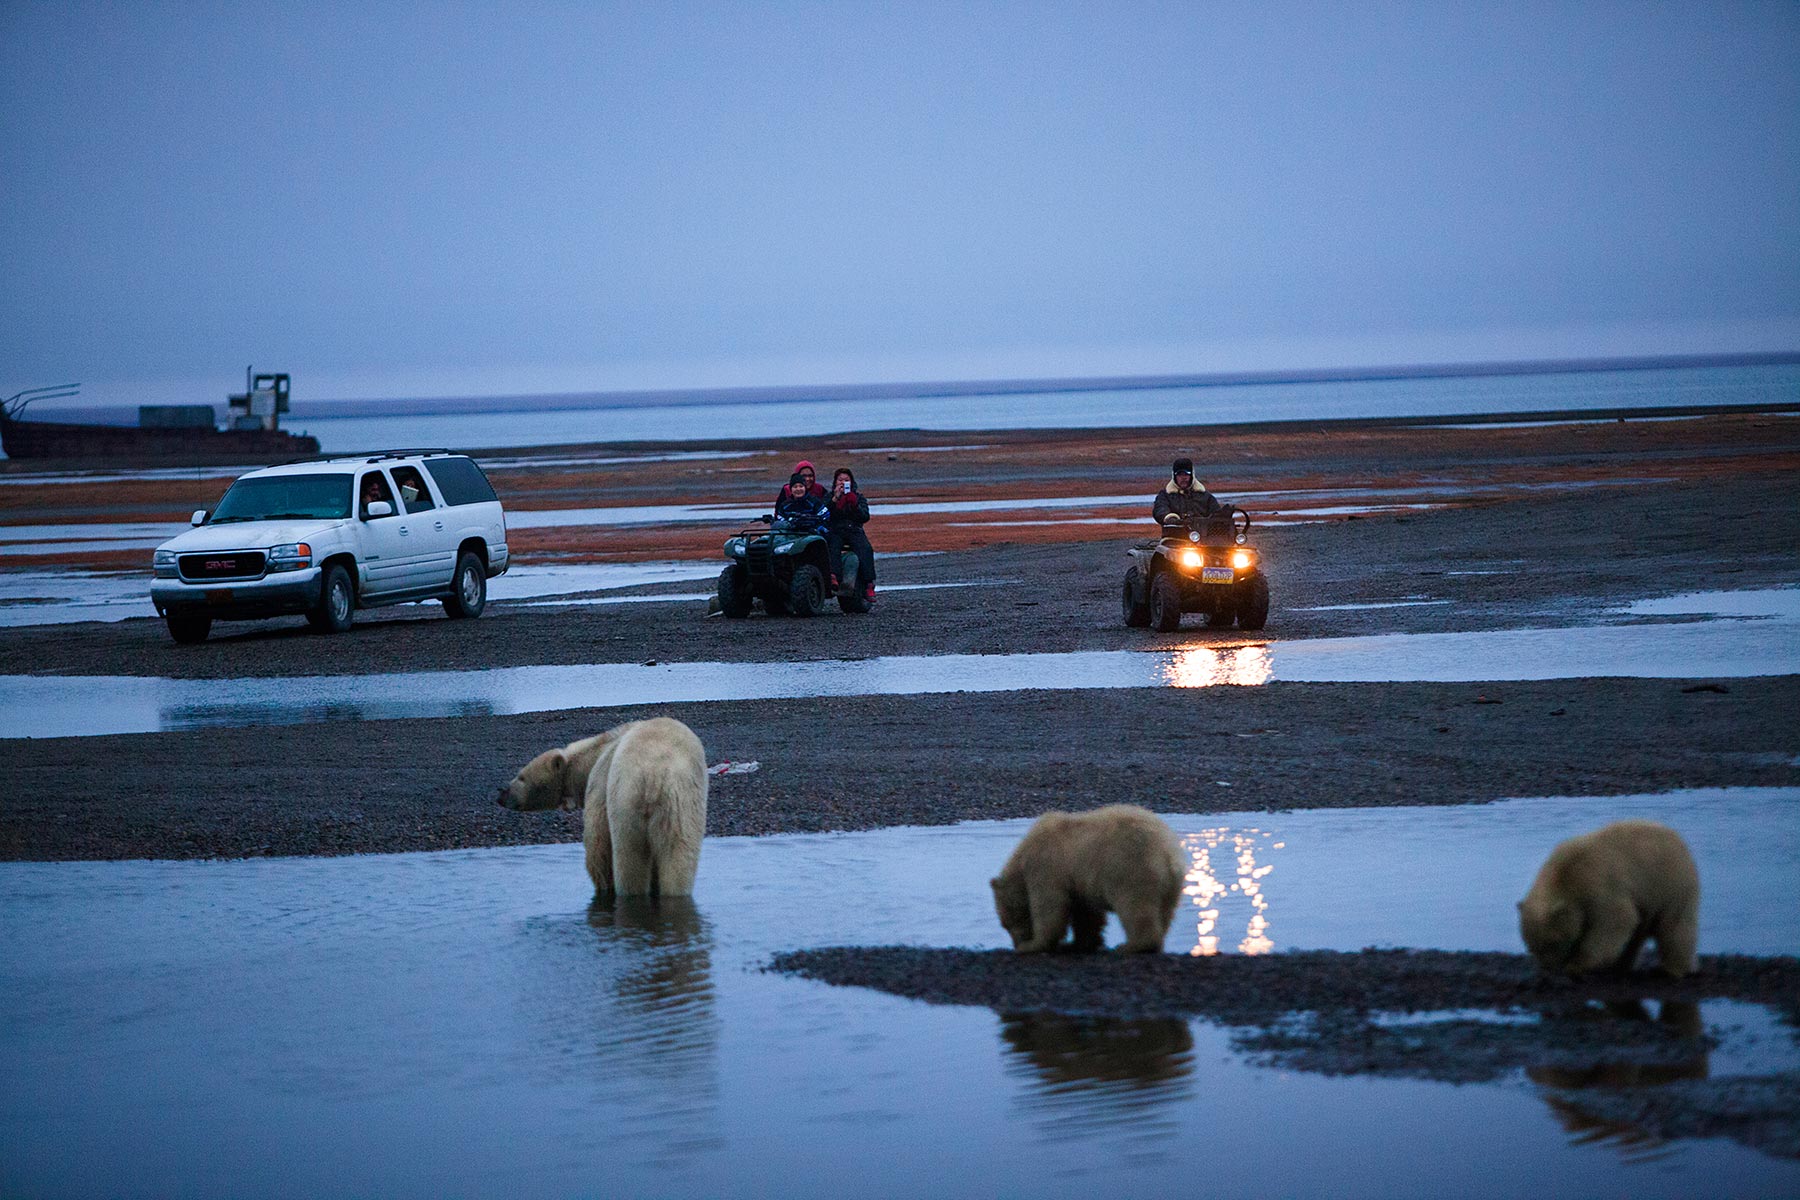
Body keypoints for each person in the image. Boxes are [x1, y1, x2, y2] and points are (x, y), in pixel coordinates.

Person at [774, 471, 844, 586]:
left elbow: (825, 516)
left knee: (825, 543)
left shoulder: (813, 502)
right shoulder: (785, 505)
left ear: (804, 488)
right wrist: (791, 524)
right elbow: (780, 520)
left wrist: (814, 525)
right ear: (791, 489)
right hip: (792, 536)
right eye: (795, 487)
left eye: (800, 486)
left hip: (813, 533)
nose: (798, 489)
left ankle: (830, 575)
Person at [829, 466, 877, 603]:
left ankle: (869, 584)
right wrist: (834, 500)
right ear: (835, 482)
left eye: (846, 480)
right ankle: (834, 577)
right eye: (840, 480)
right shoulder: (830, 496)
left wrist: (855, 505)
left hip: (853, 529)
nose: (843, 483)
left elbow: (865, 517)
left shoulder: (858, 497)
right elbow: (824, 513)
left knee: (865, 549)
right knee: (833, 546)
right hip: (836, 530)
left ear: (851, 482)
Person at [1152, 457, 1223, 527]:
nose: (1183, 478)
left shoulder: (1205, 496)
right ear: (1174, 476)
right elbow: (1160, 510)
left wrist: (1223, 514)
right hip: (1174, 534)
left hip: (1202, 535)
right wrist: (1170, 518)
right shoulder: (1165, 495)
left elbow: (1216, 512)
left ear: (1192, 475)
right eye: (1180, 475)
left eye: (1186, 474)